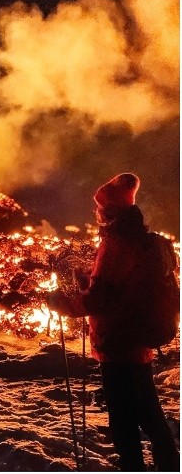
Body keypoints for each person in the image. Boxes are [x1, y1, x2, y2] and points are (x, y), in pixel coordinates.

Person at [48, 172, 180, 471]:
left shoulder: (116, 244)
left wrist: (60, 303)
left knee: (124, 425)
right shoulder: (141, 241)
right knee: (150, 417)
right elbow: (121, 289)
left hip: (117, 345)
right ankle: (169, 466)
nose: (96, 211)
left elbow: (98, 300)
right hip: (139, 343)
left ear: (110, 211)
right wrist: (89, 280)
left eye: (99, 207)